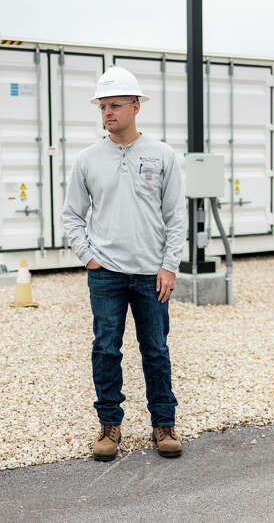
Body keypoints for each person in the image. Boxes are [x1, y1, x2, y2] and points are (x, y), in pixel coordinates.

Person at [62, 66, 187, 462]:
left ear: (136, 106)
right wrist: (89, 257)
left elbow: (176, 216)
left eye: (115, 105)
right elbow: (71, 215)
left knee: (155, 349)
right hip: (107, 275)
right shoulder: (87, 160)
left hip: (152, 274)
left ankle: (163, 425)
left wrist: (169, 266)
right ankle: (109, 427)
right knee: (105, 349)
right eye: (103, 106)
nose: (107, 113)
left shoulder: (163, 155)